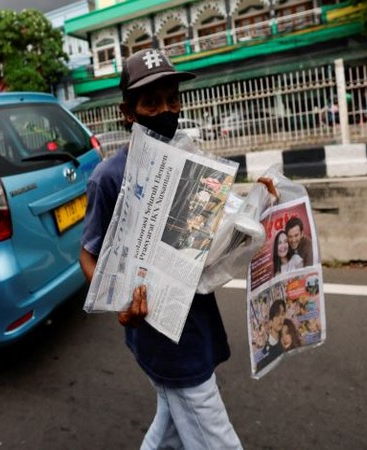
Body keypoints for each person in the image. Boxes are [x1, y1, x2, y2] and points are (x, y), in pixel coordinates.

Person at [79, 49, 242, 449]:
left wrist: (255, 212)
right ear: (129, 112)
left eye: (172, 99)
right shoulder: (109, 178)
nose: (166, 110)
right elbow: (88, 255)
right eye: (151, 102)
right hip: (160, 335)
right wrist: (120, 303)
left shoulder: (188, 159)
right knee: (211, 433)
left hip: (196, 316)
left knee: (171, 424)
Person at [256, 299, 286, 372]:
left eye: (282, 314)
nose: (280, 318)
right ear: (270, 322)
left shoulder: (285, 342)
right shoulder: (264, 350)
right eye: (277, 315)